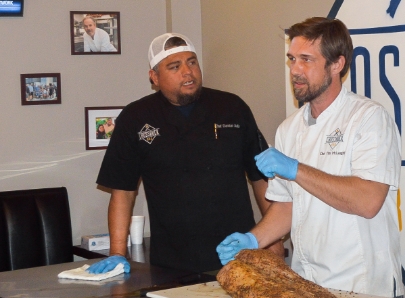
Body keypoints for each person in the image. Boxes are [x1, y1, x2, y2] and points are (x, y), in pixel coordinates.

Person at [216, 17, 402, 298]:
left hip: (362, 286)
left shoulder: (368, 118)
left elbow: (368, 201)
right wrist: (253, 239)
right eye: (292, 59)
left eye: (306, 60)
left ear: (337, 64)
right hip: (306, 285)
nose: (295, 70)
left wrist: (295, 169)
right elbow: (287, 206)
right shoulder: (288, 129)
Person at [87, 32, 284, 275]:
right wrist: (117, 254)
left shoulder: (232, 108)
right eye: (174, 66)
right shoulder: (135, 118)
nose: (187, 72)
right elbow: (122, 193)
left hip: (239, 255)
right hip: (171, 261)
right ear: (154, 77)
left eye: (192, 62)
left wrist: (274, 242)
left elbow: (261, 179)